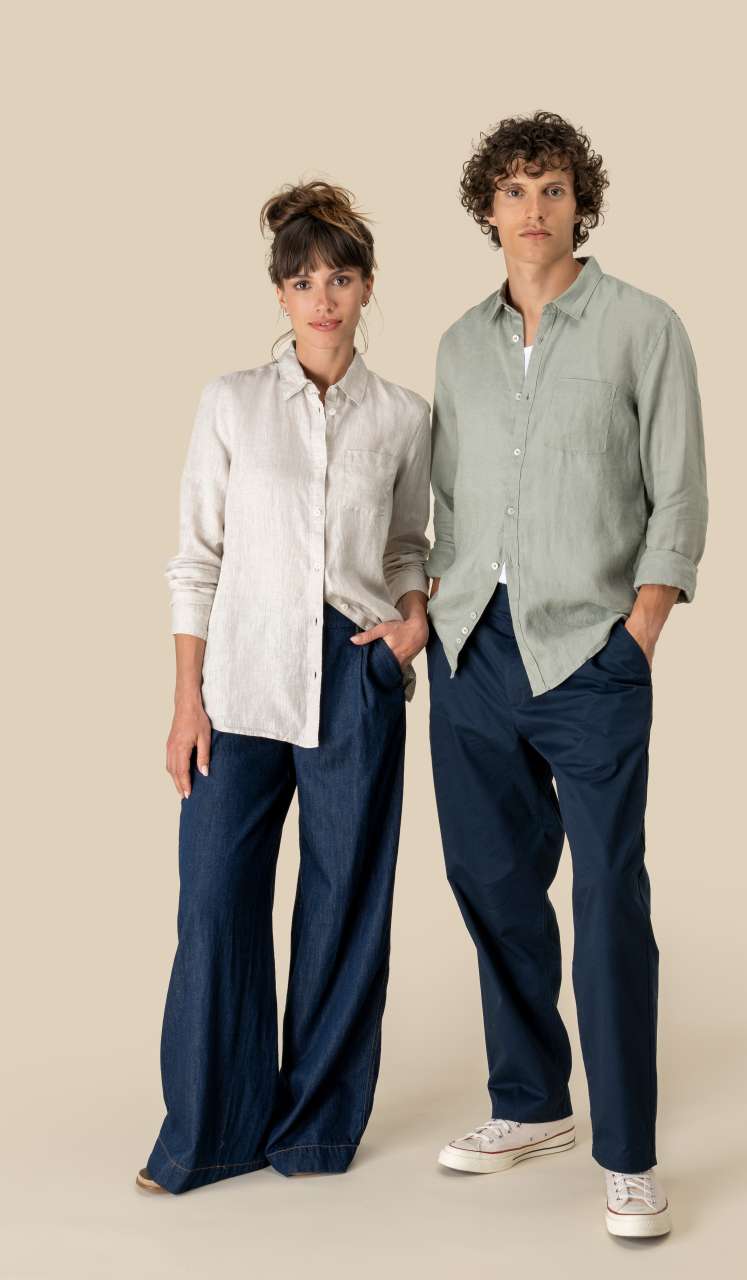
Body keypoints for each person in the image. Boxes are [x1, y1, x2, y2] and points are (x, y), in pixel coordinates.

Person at [424, 111, 709, 1239]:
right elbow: (446, 499)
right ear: (486, 210)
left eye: (550, 188)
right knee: (491, 882)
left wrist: (639, 630)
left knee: (606, 899)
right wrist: (438, 611)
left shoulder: (644, 326)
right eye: (512, 190)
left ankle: (629, 1156)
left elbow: (677, 492)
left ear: (579, 202)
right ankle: (530, 1102)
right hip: (472, 650)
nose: (532, 208)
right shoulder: (458, 345)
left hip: (591, 653)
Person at [136, 180, 431, 1194]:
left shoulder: (402, 416)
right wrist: (187, 700)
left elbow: (407, 545)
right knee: (215, 903)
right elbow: (196, 558)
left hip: (354, 671)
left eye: (340, 279)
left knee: (345, 905)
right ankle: (209, 1134)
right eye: (303, 282)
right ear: (279, 293)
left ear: (367, 287)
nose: (323, 299)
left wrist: (410, 626)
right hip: (240, 674)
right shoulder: (230, 403)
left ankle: (312, 1131)